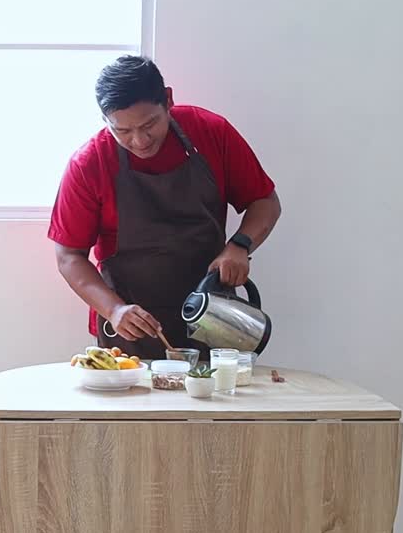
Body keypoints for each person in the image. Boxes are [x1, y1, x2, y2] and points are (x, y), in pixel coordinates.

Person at [49, 56, 281, 359]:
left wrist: (240, 244)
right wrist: (114, 309)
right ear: (105, 120)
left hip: (213, 313)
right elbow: (68, 256)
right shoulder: (89, 164)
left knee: (215, 403)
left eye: (150, 124)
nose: (139, 140)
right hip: (130, 326)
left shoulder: (211, 132)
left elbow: (265, 202)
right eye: (123, 131)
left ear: (168, 100)